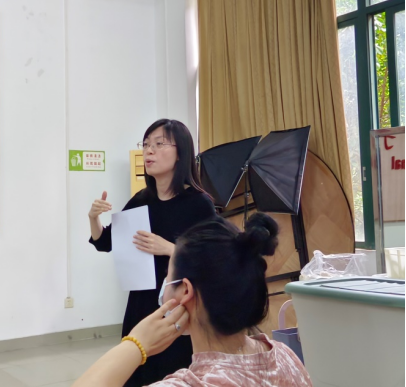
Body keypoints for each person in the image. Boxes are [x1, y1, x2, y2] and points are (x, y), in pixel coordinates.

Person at [75, 214, 313, 387]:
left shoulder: (192, 383)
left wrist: (135, 344)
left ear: (185, 291)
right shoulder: (285, 357)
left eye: (168, 275)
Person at [89, 119, 217, 386]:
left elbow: (213, 257)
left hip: (178, 306)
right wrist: (93, 218)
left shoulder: (199, 203)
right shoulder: (141, 199)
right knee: (137, 370)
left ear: (180, 153)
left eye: (159, 144)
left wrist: (170, 249)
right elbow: (107, 242)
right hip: (140, 302)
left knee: (173, 374)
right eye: (146, 144)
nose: (149, 151)